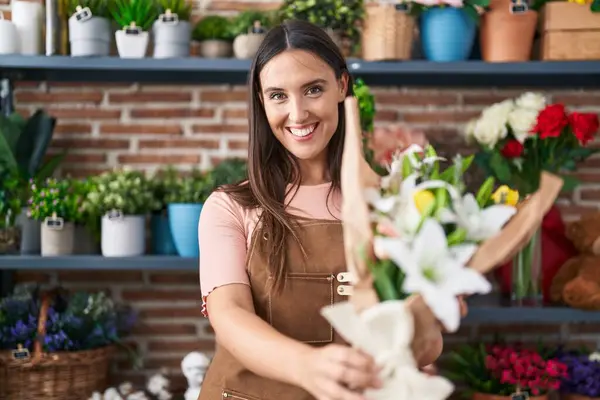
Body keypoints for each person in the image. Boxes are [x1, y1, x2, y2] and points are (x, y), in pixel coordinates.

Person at [198, 19, 464, 400]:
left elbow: (427, 349)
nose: (298, 113)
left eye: (313, 89)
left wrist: (430, 317)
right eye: (277, 95)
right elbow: (229, 316)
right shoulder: (230, 208)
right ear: (261, 100)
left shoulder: (393, 203)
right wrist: (305, 366)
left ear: (341, 86)